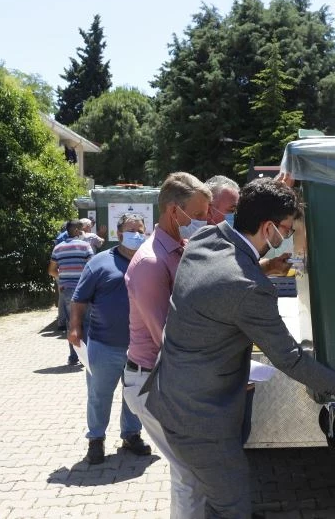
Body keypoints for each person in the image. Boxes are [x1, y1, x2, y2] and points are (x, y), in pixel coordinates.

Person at [146, 178, 335, 518]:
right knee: (233, 507)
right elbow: (291, 359)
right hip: (201, 419)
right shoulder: (249, 289)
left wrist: (265, 266)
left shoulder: (206, 239)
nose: (287, 235)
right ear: (268, 227)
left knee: (218, 501)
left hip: (178, 395)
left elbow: (220, 286)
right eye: (286, 228)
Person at [123, 172, 211, 519]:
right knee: (189, 472)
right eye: (200, 215)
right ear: (176, 212)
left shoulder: (180, 250)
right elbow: (168, 339)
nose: (206, 222)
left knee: (190, 470)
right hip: (153, 382)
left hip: (169, 378)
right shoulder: (150, 263)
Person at [68, 213, 152, 465]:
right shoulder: (99, 262)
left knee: (135, 393)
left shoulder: (149, 261)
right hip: (103, 346)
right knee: (99, 395)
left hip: (140, 346)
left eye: (140, 230)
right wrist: (74, 328)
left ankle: (131, 435)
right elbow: (79, 299)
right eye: (130, 230)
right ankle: (96, 439)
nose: (136, 234)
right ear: (118, 234)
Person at [48, 220, 93, 365]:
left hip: (67, 290)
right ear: (77, 230)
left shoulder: (58, 248)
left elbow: (51, 270)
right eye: (80, 229)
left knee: (71, 324)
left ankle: (73, 356)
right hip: (84, 290)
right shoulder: (85, 246)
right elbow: (92, 268)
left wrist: (63, 279)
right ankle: (86, 357)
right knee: (86, 322)